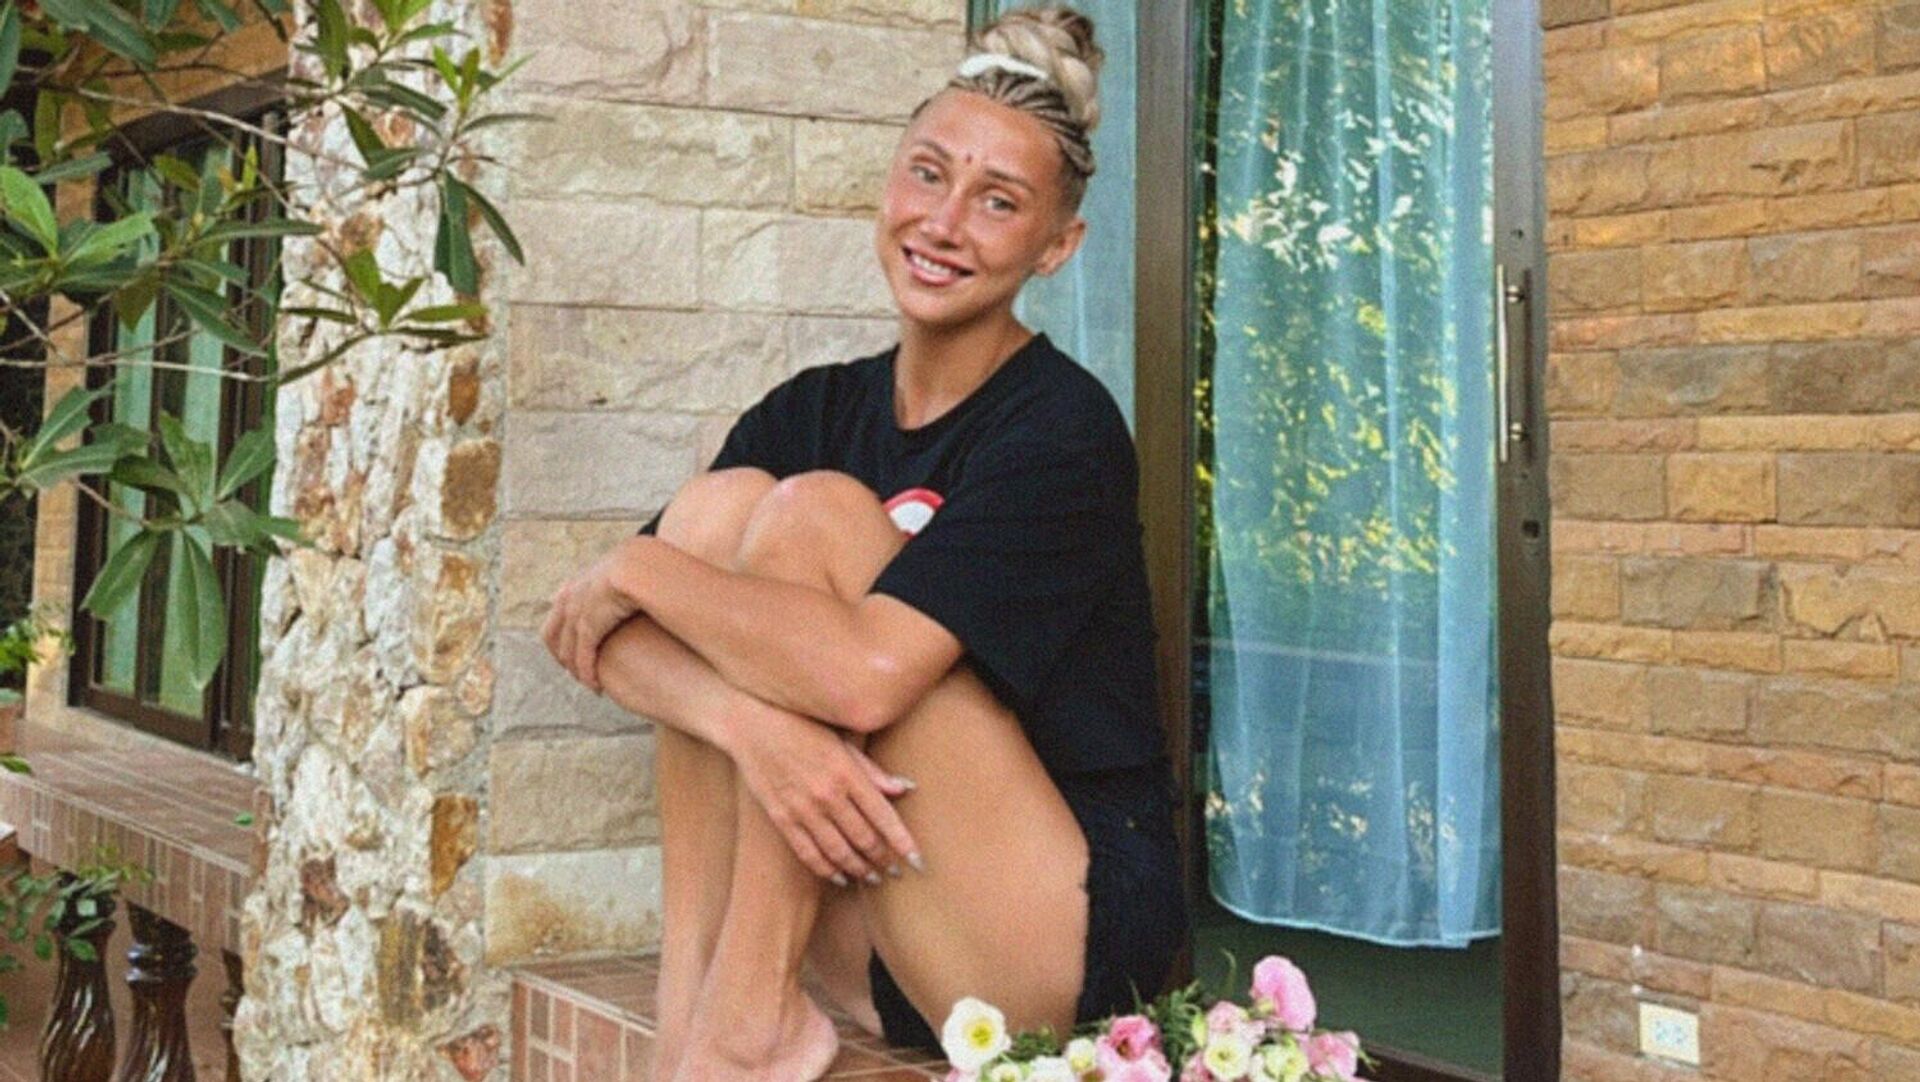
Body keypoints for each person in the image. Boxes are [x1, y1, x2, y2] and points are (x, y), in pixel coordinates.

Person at [541, 7, 1183, 1079]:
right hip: (879, 935)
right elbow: (596, 638)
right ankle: (694, 1019)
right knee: (715, 513)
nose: (945, 222)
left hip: (1046, 937)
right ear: (887, 183)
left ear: (1056, 247)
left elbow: (865, 675)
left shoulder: (1061, 429)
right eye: (928, 175)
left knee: (808, 520)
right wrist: (754, 729)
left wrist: (634, 564)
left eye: (998, 201)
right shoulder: (813, 409)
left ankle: (746, 1021)